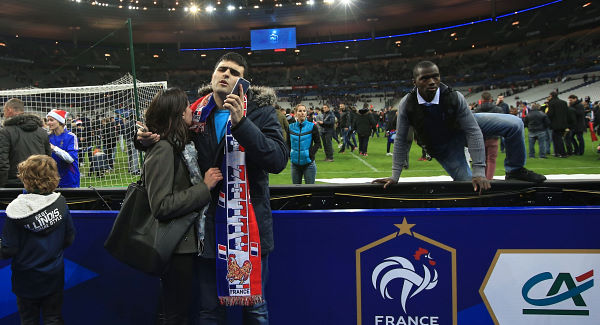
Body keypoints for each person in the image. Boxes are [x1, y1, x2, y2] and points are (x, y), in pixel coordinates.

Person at [138, 52, 288, 324]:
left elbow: (277, 160)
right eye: (222, 69)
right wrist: (146, 140)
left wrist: (242, 123)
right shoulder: (197, 111)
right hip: (208, 227)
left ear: (243, 82)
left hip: (249, 227)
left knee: (255, 309)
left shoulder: (262, 113)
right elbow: (168, 139)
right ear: (212, 75)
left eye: (233, 71)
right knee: (209, 310)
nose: (226, 74)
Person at [373, 61, 546, 192]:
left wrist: (479, 170)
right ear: (415, 81)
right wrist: (395, 176)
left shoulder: (454, 96)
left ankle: (515, 170)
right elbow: (402, 139)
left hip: (461, 128)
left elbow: (473, 131)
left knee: (515, 123)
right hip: (443, 147)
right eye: (425, 78)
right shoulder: (407, 104)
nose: (432, 81)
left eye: (435, 76)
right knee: (470, 187)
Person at [143, 87, 222, 324]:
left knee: (173, 310)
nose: (191, 109)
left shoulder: (177, 144)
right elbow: (161, 205)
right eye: (186, 105)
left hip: (182, 244)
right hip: (175, 247)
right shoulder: (163, 149)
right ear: (178, 114)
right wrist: (204, 188)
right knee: (175, 313)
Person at [1, 154, 76, 325]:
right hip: (54, 275)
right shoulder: (61, 203)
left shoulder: (16, 210)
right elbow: (69, 238)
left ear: (25, 179)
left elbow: (8, 248)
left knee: (28, 321)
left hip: (25, 277)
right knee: (54, 318)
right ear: (54, 177)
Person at [0, 98, 52, 188]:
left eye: (4, 110)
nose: (4, 114)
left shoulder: (6, 132)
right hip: (38, 182)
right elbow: (48, 159)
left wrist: (2, 185)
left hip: (13, 183)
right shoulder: (41, 132)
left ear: (9, 110)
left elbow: (2, 162)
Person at [287, 104, 322, 184]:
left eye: (304, 111)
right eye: (300, 111)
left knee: (310, 191)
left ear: (306, 113)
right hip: (295, 164)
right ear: (295, 113)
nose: (302, 113)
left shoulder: (312, 126)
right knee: (297, 192)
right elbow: (288, 143)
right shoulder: (290, 127)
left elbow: (318, 143)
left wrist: (310, 153)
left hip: (309, 164)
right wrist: (290, 154)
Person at [46, 109, 80, 188]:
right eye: (48, 120)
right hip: (52, 178)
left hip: (69, 178)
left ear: (60, 121)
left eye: (51, 120)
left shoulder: (71, 136)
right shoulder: (48, 137)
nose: (48, 123)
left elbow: (70, 159)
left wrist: (54, 148)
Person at [474, 92, 503, 180]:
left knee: (482, 160)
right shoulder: (498, 109)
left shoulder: (477, 109)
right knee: (491, 159)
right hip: (493, 137)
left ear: (482, 99)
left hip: (481, 137)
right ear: (491, 99)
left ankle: (481, 177)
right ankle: (489, 179)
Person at [546, 91, 569, 158]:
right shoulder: (564, 102)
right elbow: (567, 112)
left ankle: (562, 153)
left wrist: (546, 116)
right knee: (556, 137)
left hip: (555, 123)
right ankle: (557, 152)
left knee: (558, 138)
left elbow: (550, 114)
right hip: (563, 123)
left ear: (551, 96)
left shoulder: (551, 103)